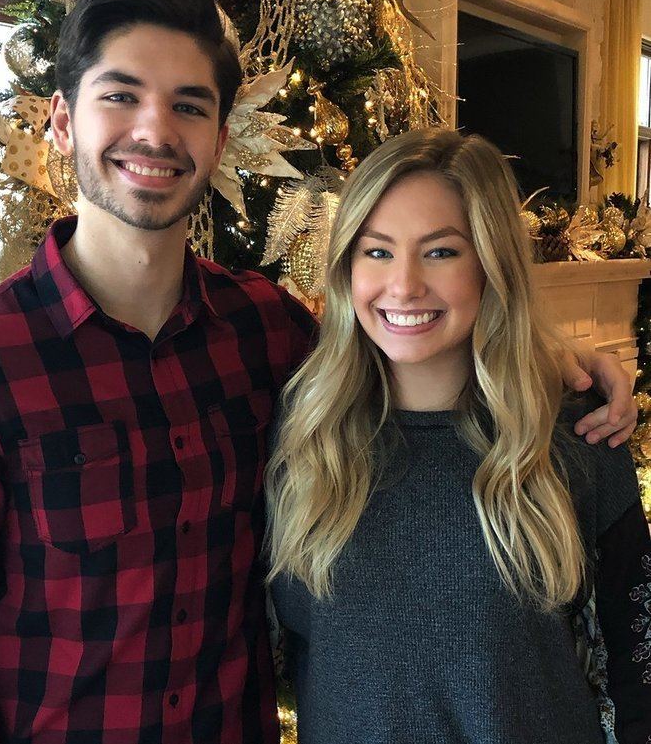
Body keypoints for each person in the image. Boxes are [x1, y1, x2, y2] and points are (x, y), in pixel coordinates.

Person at [0, 0, 636, 744]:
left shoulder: (267, 332)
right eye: (120, 95)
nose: (155, 130)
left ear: (220, 139)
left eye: (188, 105)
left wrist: (557, 356)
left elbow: (404, 335)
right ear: (61, 121)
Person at [266, 128, 651, 744]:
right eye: (377, 250)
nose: (404, 285)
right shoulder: (302, 438)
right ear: (346, 267)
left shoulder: (577, 438)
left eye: (441, 252)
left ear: (490, 264)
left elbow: (639, 672)